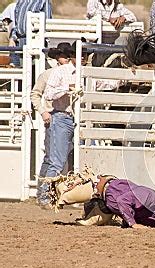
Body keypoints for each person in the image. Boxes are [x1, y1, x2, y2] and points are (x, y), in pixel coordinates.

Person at [37, 41, 88, 208]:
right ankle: (44, 196)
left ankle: (66, 195)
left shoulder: (85, 72)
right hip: (61, 117)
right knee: (57, 161)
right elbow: (49, 94)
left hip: (76, 119)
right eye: (82, 56)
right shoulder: (59, 72)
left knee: (70, 159)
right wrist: (67, 88)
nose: (85, 59)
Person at [31, 43, 73, 202]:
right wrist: (43, 111)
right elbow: (35, 94)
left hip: (64, 117)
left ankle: (48, 193)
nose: (66, 58)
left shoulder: (71, 73)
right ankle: (43, 194)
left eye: (69, 55)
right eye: (64, 55)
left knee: (57, 157)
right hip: (54, 116)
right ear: (57, 57)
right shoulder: (47, 75)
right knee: (52, 157)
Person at [76, 176, 155, 228]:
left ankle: (90, 208)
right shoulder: (149, 196)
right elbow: (122, 201)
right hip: (101, 187)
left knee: (83, 224)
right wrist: (133, 223)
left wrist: (128, 222)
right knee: (64, 194)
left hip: (107, 208)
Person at [13, 0, 52, 66]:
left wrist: (42, 39)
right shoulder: (21, 1)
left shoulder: (43, 1)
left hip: (35, 41)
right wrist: (13, 37)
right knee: (21, 69)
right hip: (20, 41)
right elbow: (16, 22)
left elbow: (47, 22)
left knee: (36, 67)